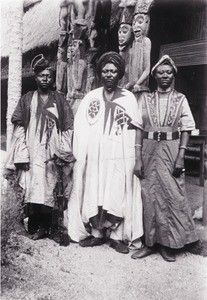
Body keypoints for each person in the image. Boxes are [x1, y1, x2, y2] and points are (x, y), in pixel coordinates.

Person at [67, 51, 143, 254]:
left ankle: (117, 237)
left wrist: (134, 157)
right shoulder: (91, 97)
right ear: (100, 73)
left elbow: (136, 128)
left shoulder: (128, 99)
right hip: (95, 156)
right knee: (95, 190)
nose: (109, 74)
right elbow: (81, 126)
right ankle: (97, 234)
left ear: (120, 74)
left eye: (113, 71)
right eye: (105, 71)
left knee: (116, 191)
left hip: (119, 156)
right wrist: (81, 153)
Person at [132, 55, 199, 262]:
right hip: (149, 149)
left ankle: (168, 244)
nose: (164, 76)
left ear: (174, 75)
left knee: (171, 194)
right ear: (154, 75)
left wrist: (181, 155)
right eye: (160, 72)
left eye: (168, 72)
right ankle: (149, 244)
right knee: (148, 195)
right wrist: (137, 158)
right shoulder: (146, 99)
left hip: (171, 149)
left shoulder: (180, 99)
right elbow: (138, 130)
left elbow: (187, 128)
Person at [5, 54, 74, 244]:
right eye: (41, 75)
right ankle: (35, 225)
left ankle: (50, 227)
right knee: (32, 185)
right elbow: (19, 128)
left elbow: (68, 128)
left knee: (51, 185)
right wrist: (22, 153)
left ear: (52, 78)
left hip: (52, 152)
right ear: (35, 77)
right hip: (32, 149)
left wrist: (62, 151)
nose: (45, 79)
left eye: (48, 75)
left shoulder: (59, 100)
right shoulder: (27, 99)